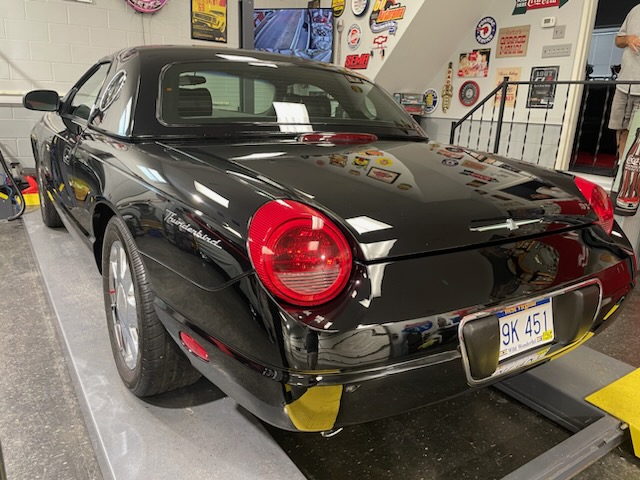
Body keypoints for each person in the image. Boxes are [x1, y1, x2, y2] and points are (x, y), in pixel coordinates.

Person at [610, 4, 640, 161]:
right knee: (621, 129)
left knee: (638, 133)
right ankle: (621, 170)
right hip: (624, 84)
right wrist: (628, 38)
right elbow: (618, 40)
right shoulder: (635, 10)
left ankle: (633, 177)